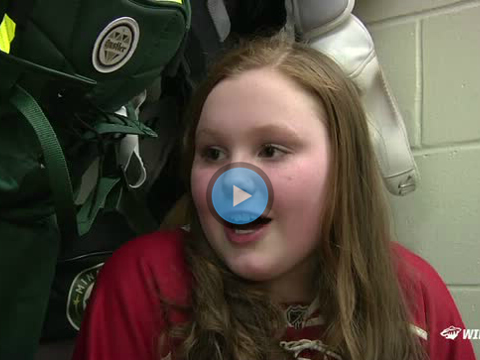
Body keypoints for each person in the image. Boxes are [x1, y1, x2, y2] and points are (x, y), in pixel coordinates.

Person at [71, 34, 476, 360]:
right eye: (212, 153)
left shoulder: (416, 294)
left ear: (343, 168)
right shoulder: (144, 282)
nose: (233, 186)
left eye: (271, 150)